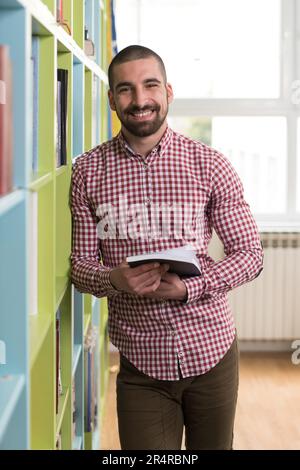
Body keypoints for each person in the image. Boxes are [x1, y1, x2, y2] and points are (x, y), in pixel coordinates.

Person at [70, 45, 263, 450]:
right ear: (111, 99)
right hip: (141, 366)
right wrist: (115, 279)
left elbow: (250, 255)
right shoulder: (87, 172)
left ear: (168, 92)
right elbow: (80, 266)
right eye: (125, 89)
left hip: (212, 353)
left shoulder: (210, 164)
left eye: (150, 85)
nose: (139, 100)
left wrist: (191, 287)